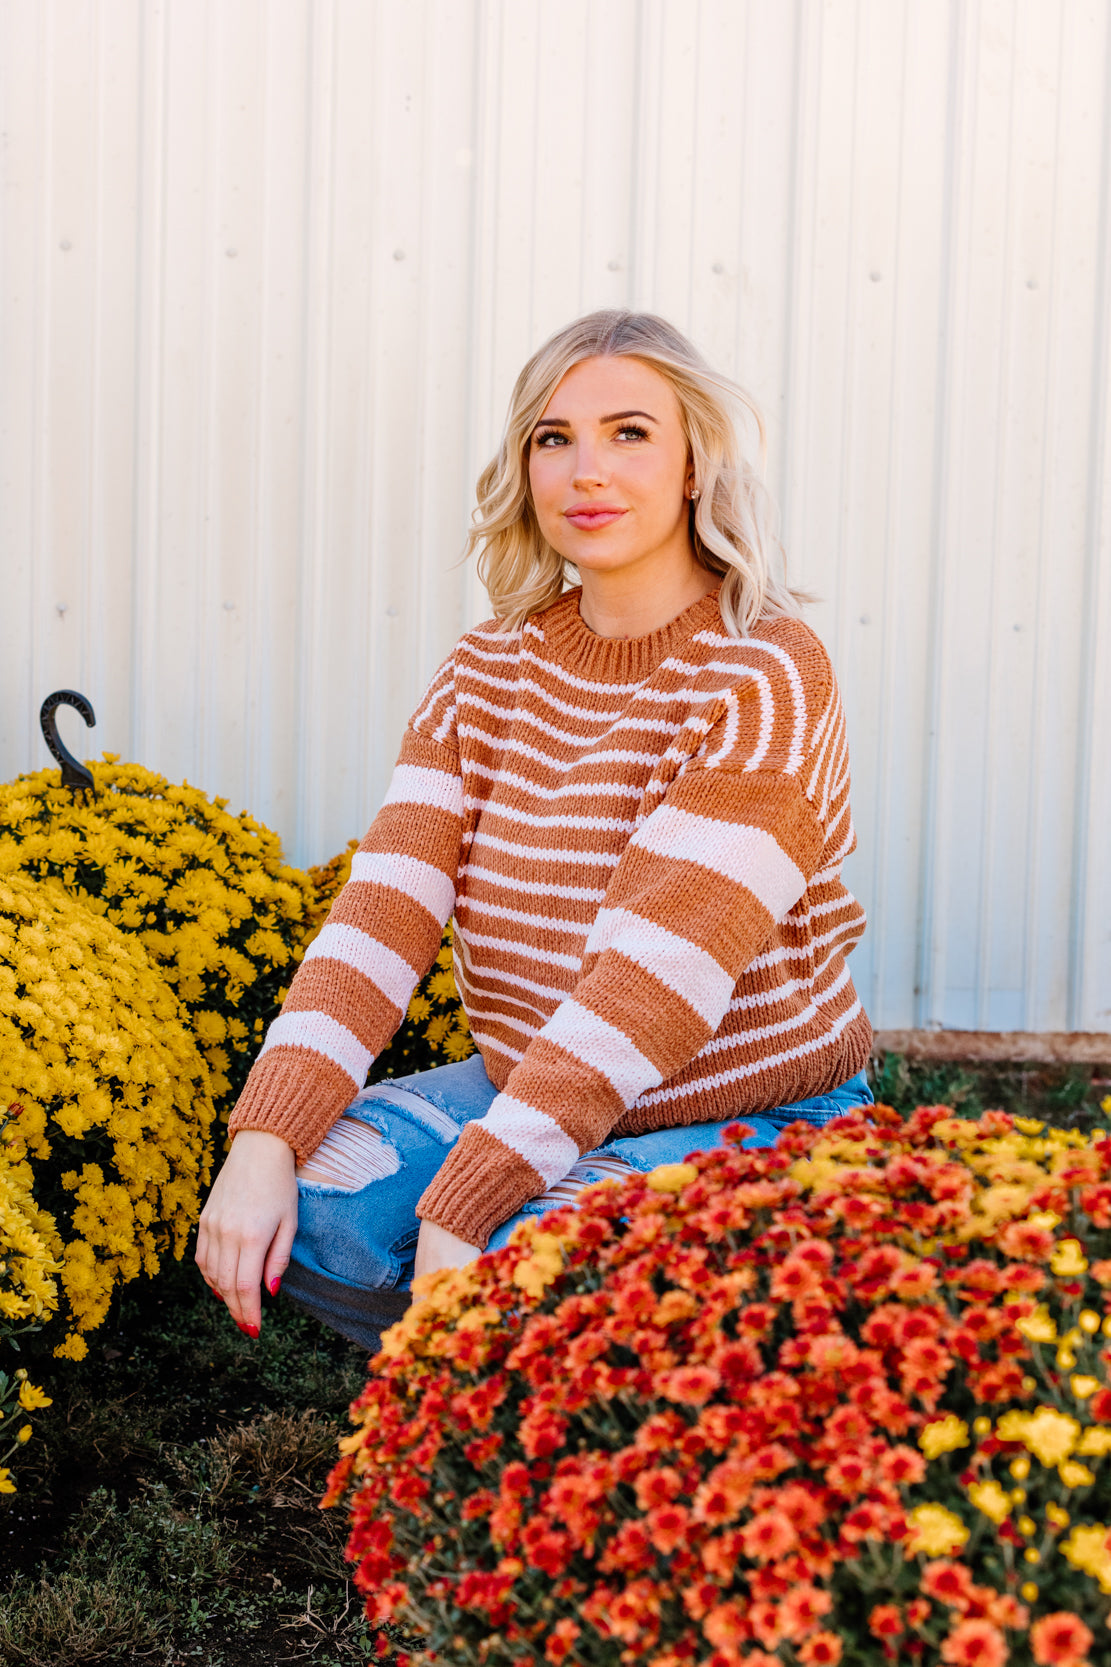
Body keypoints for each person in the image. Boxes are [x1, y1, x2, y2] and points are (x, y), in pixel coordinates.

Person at [196, 309, 873, 1349]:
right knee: (315, 1197)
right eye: (552, 438)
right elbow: (382, 916)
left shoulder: (765, 674)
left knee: (527, 1251)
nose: (584, 470)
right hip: (528, 1082)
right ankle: (503, 1357)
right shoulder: (487, 670)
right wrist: (261, 1135)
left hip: (738, 1108)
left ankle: (586, 1377)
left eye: (629, 433)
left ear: (696, 463)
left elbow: (649, 988)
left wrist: (469, 1198)